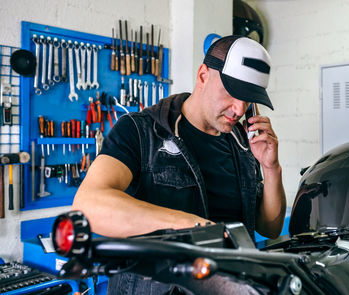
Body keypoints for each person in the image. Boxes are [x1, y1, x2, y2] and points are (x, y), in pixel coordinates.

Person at [72, 35, 286, 293]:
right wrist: (197, 230)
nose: (239, 109)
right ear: (203, 76)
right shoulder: (140, 131)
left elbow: (270, 228)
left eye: (248, 99)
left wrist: (271, 168)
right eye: (232, 92)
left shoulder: (242, 142)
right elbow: (88, 206)